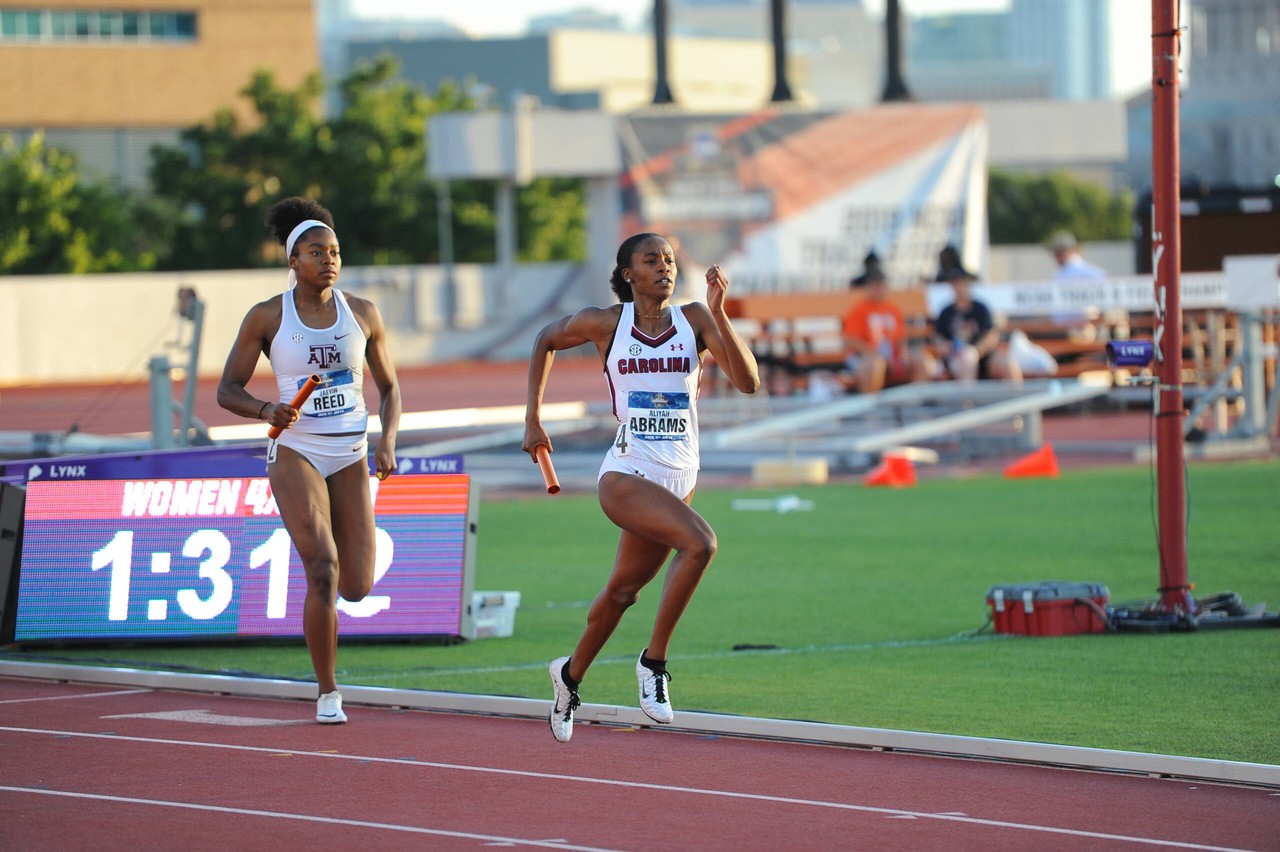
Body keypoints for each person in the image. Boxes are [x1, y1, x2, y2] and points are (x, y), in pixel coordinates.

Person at [523, 232, 760, 743]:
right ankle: (653, 663)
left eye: (670, 260)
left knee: (623, 592)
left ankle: (568, 677)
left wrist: (720, 312)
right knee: (701, 545)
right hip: (628, 472)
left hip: (681, 476)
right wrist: (533, 421)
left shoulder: (695, 319)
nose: (664, 267)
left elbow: (749, 382)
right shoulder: (607, 323)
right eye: (651, 260)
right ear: (628, 274)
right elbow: (545, 338)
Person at [217, 197, 402, 724]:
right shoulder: (268, 316)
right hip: (295, 449)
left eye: (335, 251)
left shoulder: (362, 313)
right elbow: (227, 390)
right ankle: (328, 692)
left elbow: (390, 390)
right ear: (292, 261)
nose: (329, 259)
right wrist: (264, 408)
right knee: (321, 567)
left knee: (356, 586)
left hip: (350, 453)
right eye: (316, 251)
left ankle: (329, 658)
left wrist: (386, 440)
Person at [841, 268, 931, 392]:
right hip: (866, 356)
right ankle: (871, 406)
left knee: (922, 360)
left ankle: (914, 401)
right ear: (868, 288)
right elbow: (850, 340)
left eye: (880, 286)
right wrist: (876, 354)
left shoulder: (892, 308)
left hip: (892, 355)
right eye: (874, 286)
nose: (877, 290)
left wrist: (902, 353)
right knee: (875, 365)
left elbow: (900, 337)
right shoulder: (858, 310)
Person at [933, 269, 1021, 382]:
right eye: (956, 284)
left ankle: (1017, 397)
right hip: (956, 358)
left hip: (983, 357)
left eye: (962, 283)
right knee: (966, 360)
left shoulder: (980, 309)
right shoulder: (946, 312)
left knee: (1006, 362)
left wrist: (977, 351)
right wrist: (945, 346)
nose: (959, 288)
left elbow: (992, 335)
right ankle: (968, 399)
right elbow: (938, 336)